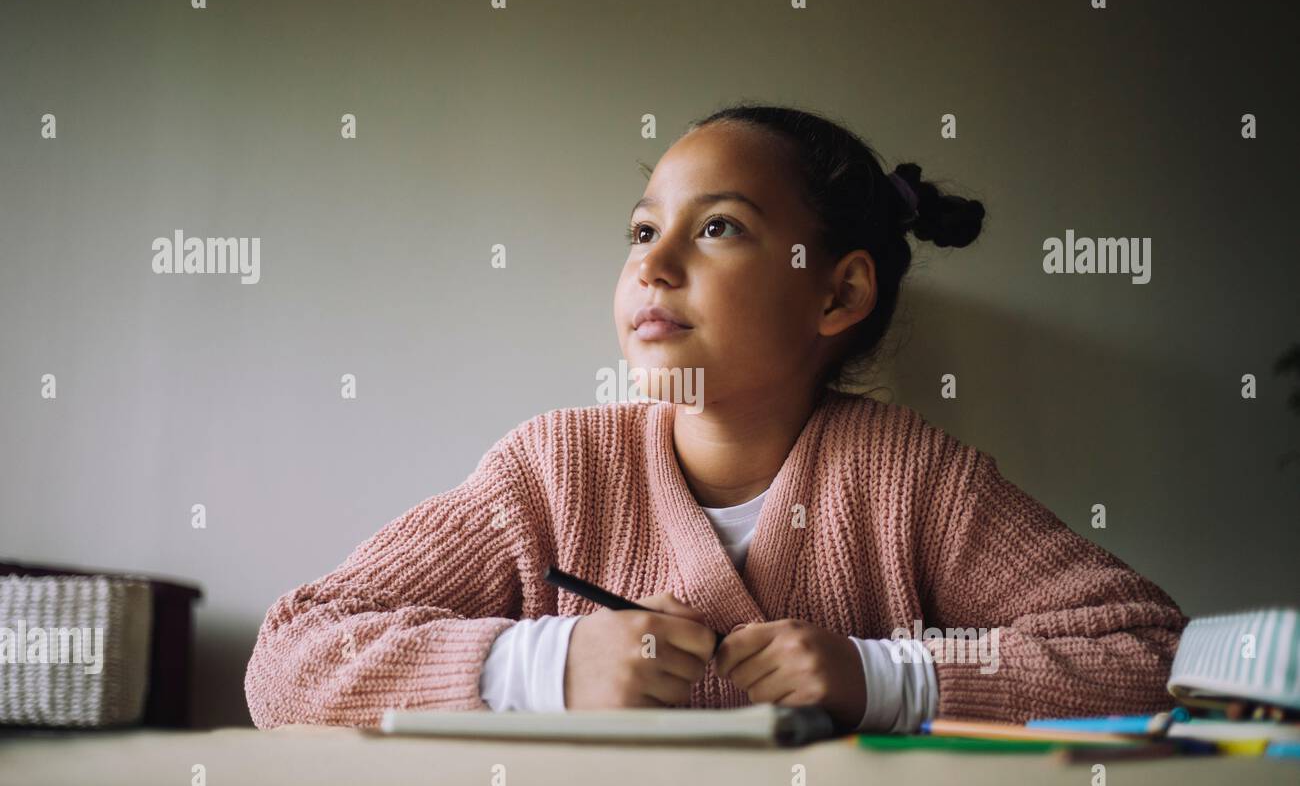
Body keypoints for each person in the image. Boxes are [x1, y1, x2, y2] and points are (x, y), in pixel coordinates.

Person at [244, 103, 1189, 734]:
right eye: (643, 231)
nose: (651, 267)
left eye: (719, 227)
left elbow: (1153, 656)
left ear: (838, 292)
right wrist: (543, 665)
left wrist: (884, 679)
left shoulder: (913, 481)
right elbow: (287, 662)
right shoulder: (551, 470)